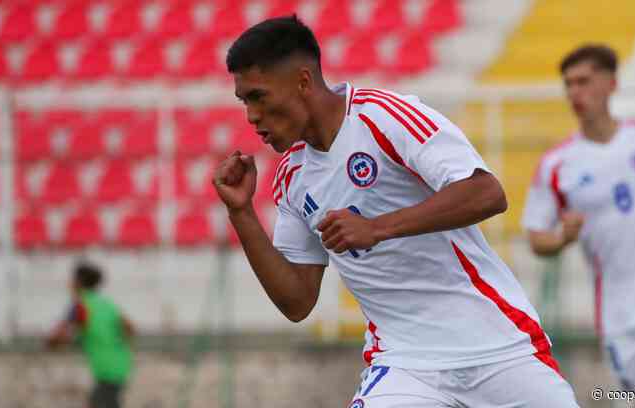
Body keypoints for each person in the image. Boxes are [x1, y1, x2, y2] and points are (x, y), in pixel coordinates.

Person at [214, 15, 579, 407]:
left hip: (497, 346)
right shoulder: (291, 176)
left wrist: (378, 228)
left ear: (303, 82)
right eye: (244, 101)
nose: (251, 116)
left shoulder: (384, 116)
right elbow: (298, 301)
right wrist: (242, 214)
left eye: (258, 96)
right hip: (406, 364)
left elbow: (486, 192)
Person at [522, 44, 635, 407]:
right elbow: (537, 236)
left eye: (583, 81)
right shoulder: (558, 164)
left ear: (611, 84)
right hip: (616, 309)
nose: (574, 92)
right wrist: (562, 238)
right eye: (568, 84)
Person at [46, 262, 134, 408]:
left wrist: (55, 342)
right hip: (121, 362)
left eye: (71, 279)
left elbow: (58, 336)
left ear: (78, 283)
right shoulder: (106, 303)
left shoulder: (80, 305)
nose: (68, 283)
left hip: (106, 369)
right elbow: (130, 328)